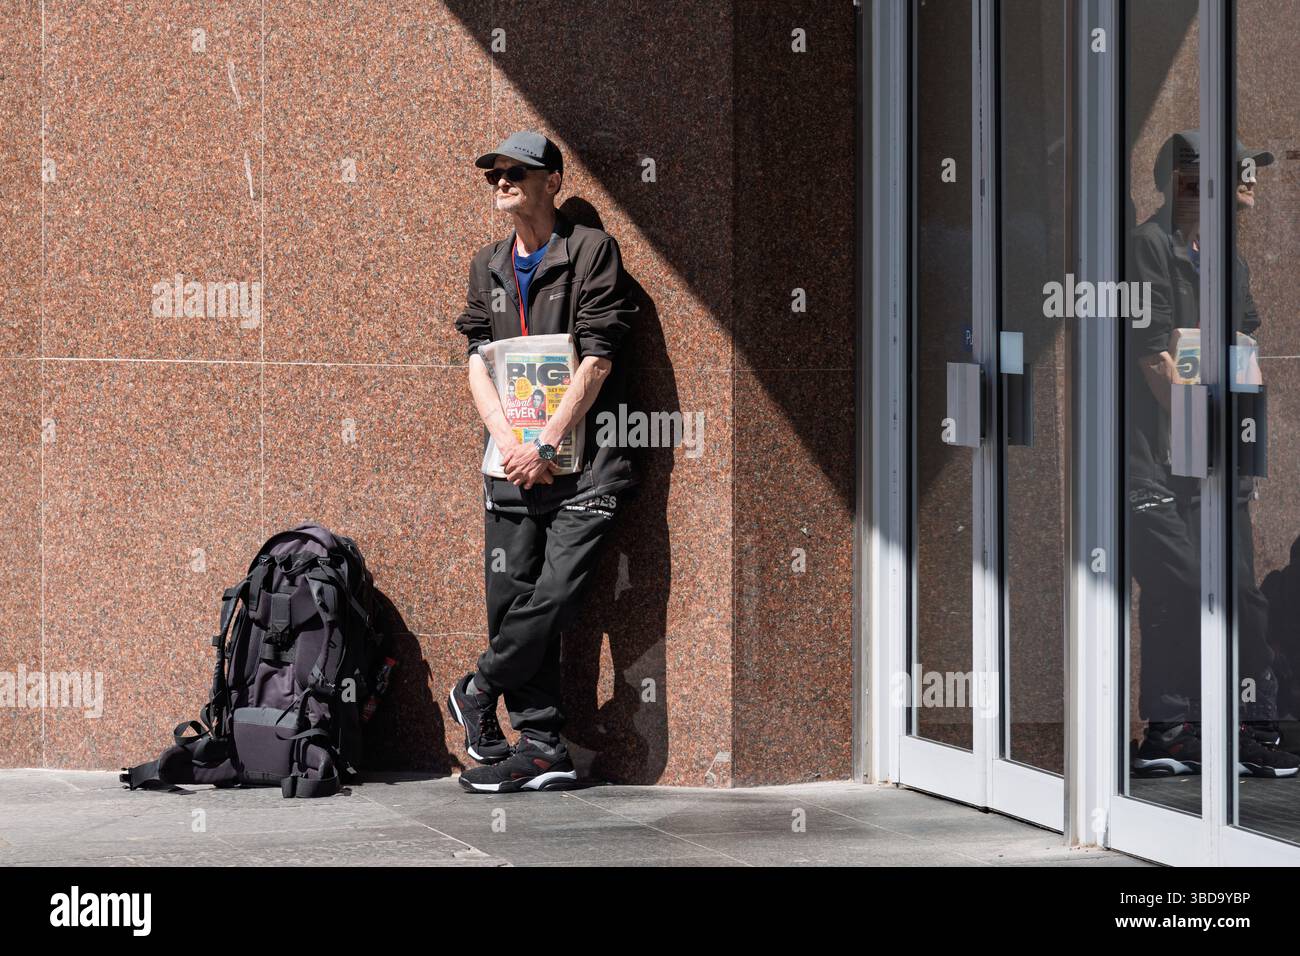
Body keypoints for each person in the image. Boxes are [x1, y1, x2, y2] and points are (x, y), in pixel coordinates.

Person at [448, 131, 641, 793]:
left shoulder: (591, 252)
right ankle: (539, 744)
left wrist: (546, 444)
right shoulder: (487, 264)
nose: (502, 180)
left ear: (553, 179)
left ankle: (480, 686)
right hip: (511, 460)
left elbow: (599, 357)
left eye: (517, 171)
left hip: (586, 464)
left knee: (556, 591)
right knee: (511, 598)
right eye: (493, 173)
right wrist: (509, 441)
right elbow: (476, 358)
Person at [1127, 129, 1298, 778]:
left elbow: (1237, 355)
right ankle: (1225, 727)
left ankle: (1184, 728)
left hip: (1219, 454)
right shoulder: (1148, 247)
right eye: (1235, 168)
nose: (1250, 176)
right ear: (1185, 181)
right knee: (1190, 585)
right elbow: (1155, 360)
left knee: (1227, 588)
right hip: (1168, 454)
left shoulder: (1231, 262)